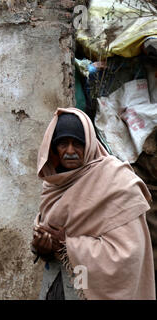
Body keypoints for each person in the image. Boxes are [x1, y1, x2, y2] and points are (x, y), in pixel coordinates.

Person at [31, 107, 155, 300]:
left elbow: (128, 255)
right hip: (56, 287)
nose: (70, 151)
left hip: (88, 291)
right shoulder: (54, 183)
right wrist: (42, 246)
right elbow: (48, 240)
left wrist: (66, 244)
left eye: (78, 144)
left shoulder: (117, 182)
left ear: (89, 143)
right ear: (54, 148)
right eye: (63, 143)